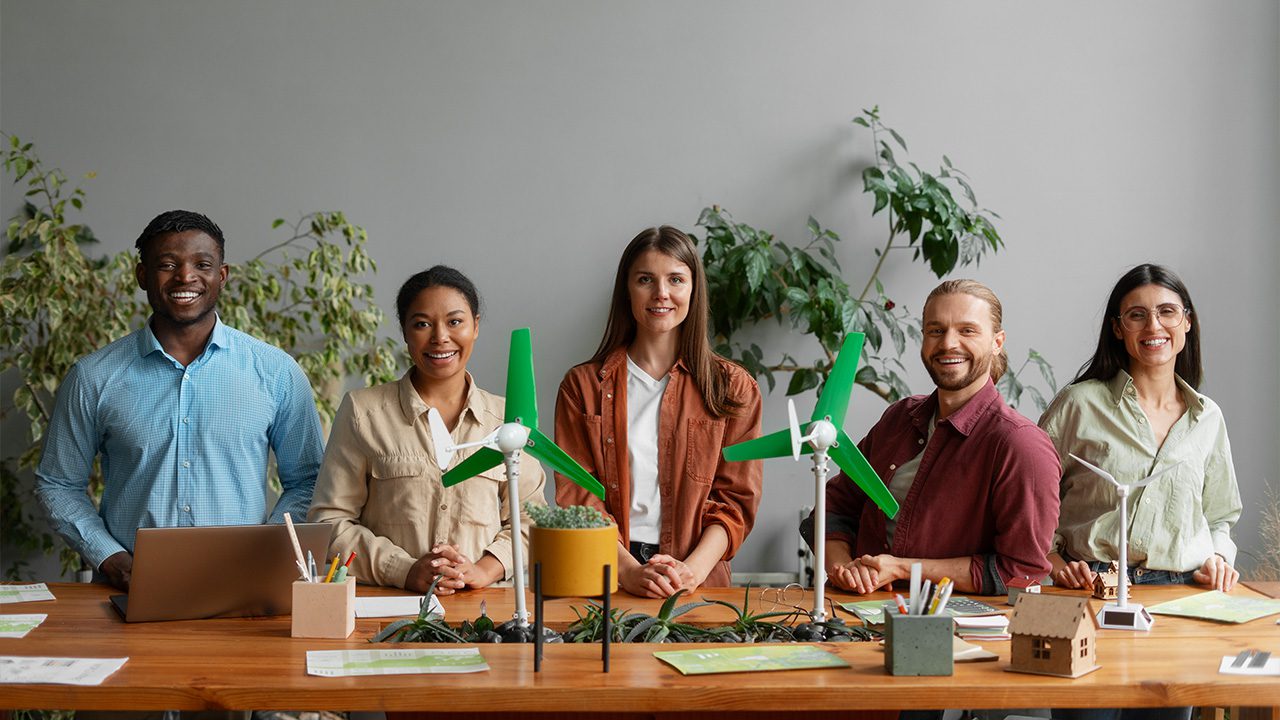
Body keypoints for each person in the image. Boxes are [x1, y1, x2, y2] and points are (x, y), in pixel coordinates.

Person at [36, 210, 324, 592]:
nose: (185, 277)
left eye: (201, 264)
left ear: (221, 276)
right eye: (167, 265)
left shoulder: (277, 372)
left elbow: (308, 479)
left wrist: (263, 552)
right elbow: (58, 482)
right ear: (142, 276)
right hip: (127, 591)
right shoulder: (93, 376)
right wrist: (110, 557)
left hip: (241, 589)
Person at [804, 279, 1061, 596]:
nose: (948, 343)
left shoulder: (1022, 446)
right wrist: (843, 570)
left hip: (955, 629)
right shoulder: (899, 419)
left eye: (967, 330)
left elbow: (1020, 572)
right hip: (857, 612)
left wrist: (901, 569)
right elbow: (834, 507)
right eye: (936, 330)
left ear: (997, 342)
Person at [308, 266, 545, 594]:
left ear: (475, 326)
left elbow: (533, 521)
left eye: (455, 321)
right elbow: (329, 523)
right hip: (390, 608)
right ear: (405, 332)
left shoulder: (509, 420)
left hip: (488, 610)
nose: (440, 337)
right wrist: (403, 570)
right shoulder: (364, 412)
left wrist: (483, 570)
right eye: (422, 324)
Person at [554, 226, 762, 598]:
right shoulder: (582, 387)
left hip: (699, 580)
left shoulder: (733, 387)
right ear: (627, 290)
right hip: (608, 576)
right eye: (645, 280)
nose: (661, 293)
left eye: (676, 280)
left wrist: (690, 573)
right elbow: (577, 498)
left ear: (693, 290)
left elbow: (735, 502)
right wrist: (629, 572)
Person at [1043, 264, 1242, 595]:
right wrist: (1052, 558)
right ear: (1118, 329)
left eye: (1167, 312)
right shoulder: (1079, 404)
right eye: (1137, 315)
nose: (1154, 325)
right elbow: (1031, 493)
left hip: (1185, 590)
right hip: (1092, 585)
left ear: (1187, 322)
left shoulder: (1208, 418)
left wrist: (1219, 557)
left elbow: (1220, 516)